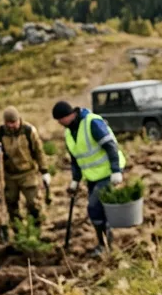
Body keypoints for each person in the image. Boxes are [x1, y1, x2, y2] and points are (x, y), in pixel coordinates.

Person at [52, 100, 125, 256]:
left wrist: (116, 170)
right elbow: (75, 159)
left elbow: (110, 146)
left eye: (60, 120)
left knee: (93, 207)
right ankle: (105, 244)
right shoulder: (68, 132)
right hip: (92, 176)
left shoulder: (92, 122)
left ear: (69, 115)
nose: (59, 123)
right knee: (99, 210)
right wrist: (75, 180)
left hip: (107, 172)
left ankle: (106, 244)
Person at [0, 106, 53, 241]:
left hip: (28, 172)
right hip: (9, 175)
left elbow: (39, 152)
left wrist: (44, 171)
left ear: (18, 120)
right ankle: (18, 233)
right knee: (11, 205)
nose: (11, 126)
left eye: (13, 123)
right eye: (8, 123)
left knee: (33, 204)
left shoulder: (28, 131)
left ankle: (36, 232)